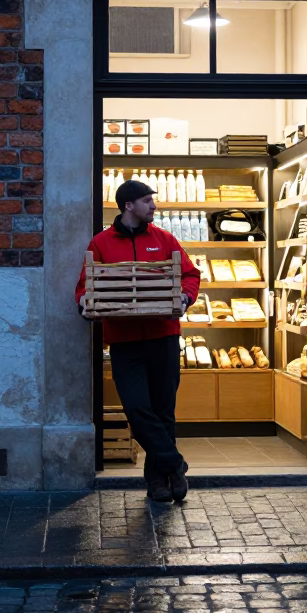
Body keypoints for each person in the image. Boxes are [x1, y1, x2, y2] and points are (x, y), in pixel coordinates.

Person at [76, 179, 201, 503]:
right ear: (128, 205)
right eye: (147, 201)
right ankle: (174, 463)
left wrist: (185, 299)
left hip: (164, 337)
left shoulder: (165, 239)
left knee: (163, 410)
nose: (154, 206)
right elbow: (84, 286)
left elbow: (190, 274)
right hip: (124, 341)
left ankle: (159, 482)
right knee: (136, 408)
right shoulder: (101, 243)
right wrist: (85, 305)